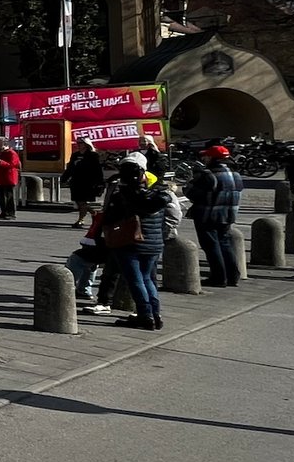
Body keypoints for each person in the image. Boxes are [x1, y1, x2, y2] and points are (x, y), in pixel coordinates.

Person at [103, 159, 173, 330]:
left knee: (136, 280)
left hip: (130, 242)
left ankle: (145, 315)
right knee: (148, 278)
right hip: (154, 242)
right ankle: (156, 314)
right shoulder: (159, 195)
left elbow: (110, 218)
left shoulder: (124, 196)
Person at [185, 144, 243, 287]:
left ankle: (219, 277)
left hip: (208, 214)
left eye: (206, 155)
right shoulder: (235, 174)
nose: (204, 158)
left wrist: (191, 182)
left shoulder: (208, 174)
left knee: (211, 245)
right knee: (225, 243)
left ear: (212, 157)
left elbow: (193, 193)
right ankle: (232, 276)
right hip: (228, 214)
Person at [62, 139, 105, 228]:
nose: (78, 145)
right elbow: (70, 168)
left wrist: (100, 183)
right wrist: (64, 178)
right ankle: (94, 213)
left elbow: (98, 170)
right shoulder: (75, 155)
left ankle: (81, 220)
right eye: (78, 143)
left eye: (81, 143)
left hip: (88, 182)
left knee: (82, 201)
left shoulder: (93, 155)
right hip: (76, 181)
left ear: (86, 144)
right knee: (79, 201)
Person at [0, 140, 22, 219]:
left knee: (9, 196)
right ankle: (3, 212)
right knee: (1, 196)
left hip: (8, 177)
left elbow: (12, 165)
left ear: (4, 143)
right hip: (0, 177)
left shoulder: (11, 153)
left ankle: (11, 213)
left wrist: (0, 162)